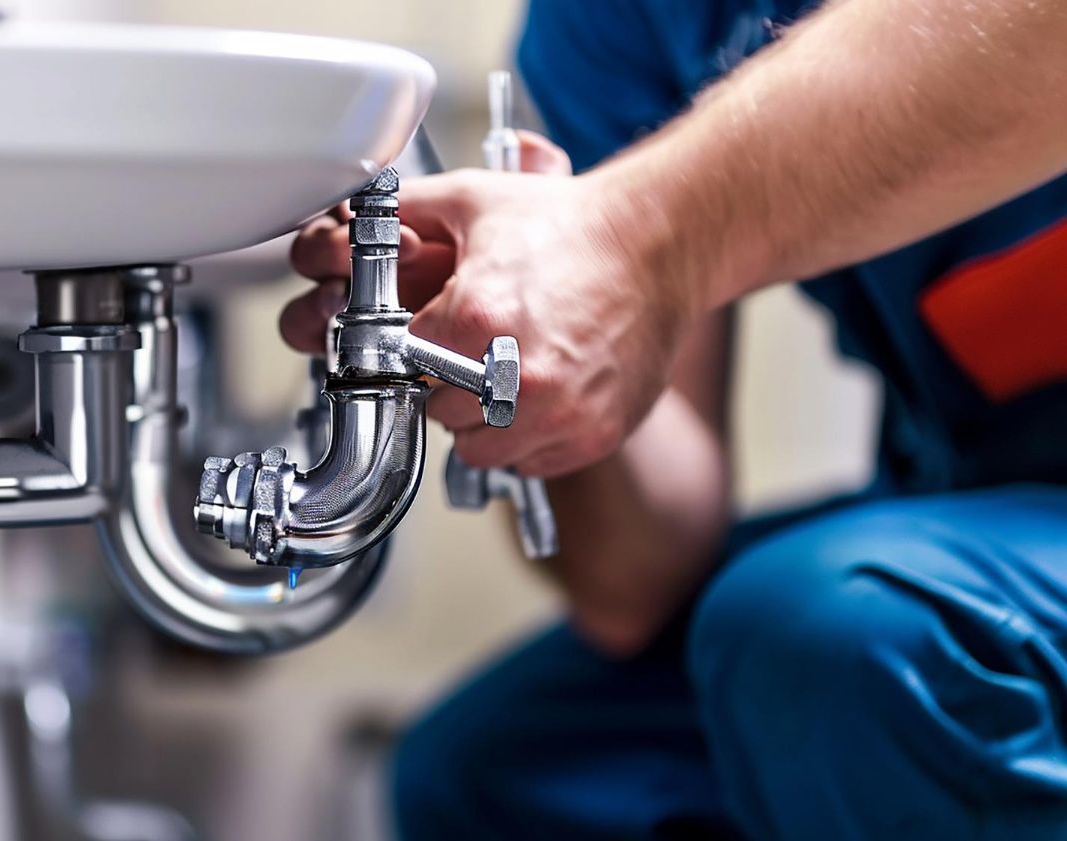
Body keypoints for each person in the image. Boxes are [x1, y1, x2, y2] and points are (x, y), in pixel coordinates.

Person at [281, 0, 1067, 838]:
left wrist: (634, 232)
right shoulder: (609, 27)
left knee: (842, 639)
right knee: (490, 775)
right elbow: (638, 583)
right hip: (974, 487)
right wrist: (518, 330)